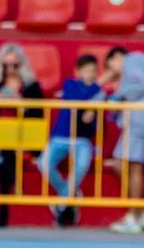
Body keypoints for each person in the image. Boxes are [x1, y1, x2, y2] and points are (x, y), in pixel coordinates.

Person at [0, 43, 45, 228]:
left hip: (26, 135)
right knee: (3, 149)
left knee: (4, 152)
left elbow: (39, 116)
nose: (10, 70)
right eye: (5, 65)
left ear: (22, 65)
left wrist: (20, 104)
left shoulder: (31, 87)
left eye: (14, 65)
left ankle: (4, 208)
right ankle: (12, 188)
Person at [38, 54, 105, 227]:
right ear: (78, 71)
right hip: (61, 135)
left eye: (93, 71)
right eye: (86, 70)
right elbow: (78, 100)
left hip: (83, 138)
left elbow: (88, 118)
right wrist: (95, 97)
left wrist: (94, 105)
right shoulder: (71, 84)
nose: (90, 74)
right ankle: (70, 195)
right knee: (43, 163)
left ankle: (62, 204)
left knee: (81, 166)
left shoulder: (101, 92)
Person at [103, 46, 144, 234]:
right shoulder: (138, 63)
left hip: (138, 120)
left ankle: (135, 216)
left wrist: (119, 94)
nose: (112, 72)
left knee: (127, 165)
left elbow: (141, 85)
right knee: (129, 166)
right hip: (138, 120)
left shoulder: (131, 61)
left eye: (110, 67)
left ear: (116, 58)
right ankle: (140, 213)